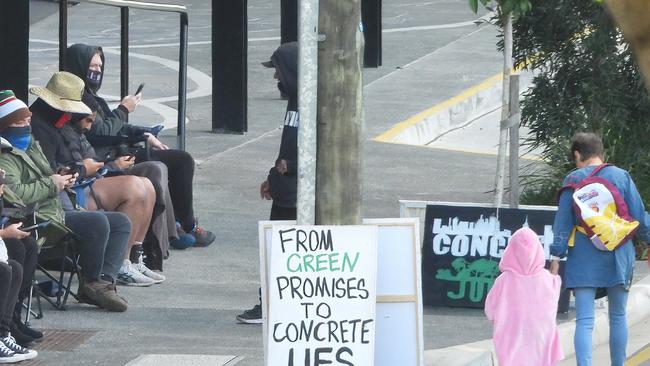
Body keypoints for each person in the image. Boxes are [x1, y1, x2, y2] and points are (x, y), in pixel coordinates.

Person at [64, 44, 215, 247]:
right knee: (165, 165)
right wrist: (124, 109)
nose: (97, 71)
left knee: (177, 159)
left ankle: (180, 225)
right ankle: (180, 228)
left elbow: (115, 125)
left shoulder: (91, 95)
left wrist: (144, 133)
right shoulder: (78, 98)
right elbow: (100, 132)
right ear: (79, 65)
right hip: (107, 159)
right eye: (93, 66)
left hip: (117, 152)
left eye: (100, 67)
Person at [28, 73, 166, 285]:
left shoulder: (57, 122)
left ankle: (133, 259)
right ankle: (120, 265)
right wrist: (83, 169)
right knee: (134, 187)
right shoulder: (41, 126)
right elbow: (46, 171)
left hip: (75, 184)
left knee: (147, 184)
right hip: (66, 193)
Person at [0, 89, 131, 312]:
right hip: (37, 216)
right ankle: (90, 282)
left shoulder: (31, 142)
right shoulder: (5, 154)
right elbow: (16, 195)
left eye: (28, 119)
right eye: (20, 121)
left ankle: (102, 282)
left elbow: (45, 173)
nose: (26, 125)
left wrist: (62, 176)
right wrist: (53, 184)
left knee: (121, 223)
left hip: (55, 207)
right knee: (97, 223)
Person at [549, 132, 650, 366]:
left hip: (584, 255)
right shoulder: (621, 176)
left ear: (577, 154)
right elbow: (638, 215)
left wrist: (557, 254)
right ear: (601, 152)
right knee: (617, 316)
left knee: (584, 320)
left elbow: (563, 222)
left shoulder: (572, 180)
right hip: (619, 253)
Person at [236, 42, 298, 324]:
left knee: (284, 252)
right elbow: (290, 146)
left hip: (301, 194)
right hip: (287, 190)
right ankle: (272, 302)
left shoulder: (314, 103)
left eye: (278, 71)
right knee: (278, 250)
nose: (276, 78)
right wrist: (273, 177)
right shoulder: (296, 102)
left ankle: (273, 305)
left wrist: (291, 168)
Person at [485, 227, 563, 366]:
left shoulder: (503, 281)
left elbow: (490, 310)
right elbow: (553, 298)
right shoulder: (547, 279)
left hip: (510, 338)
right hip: (540, 338)